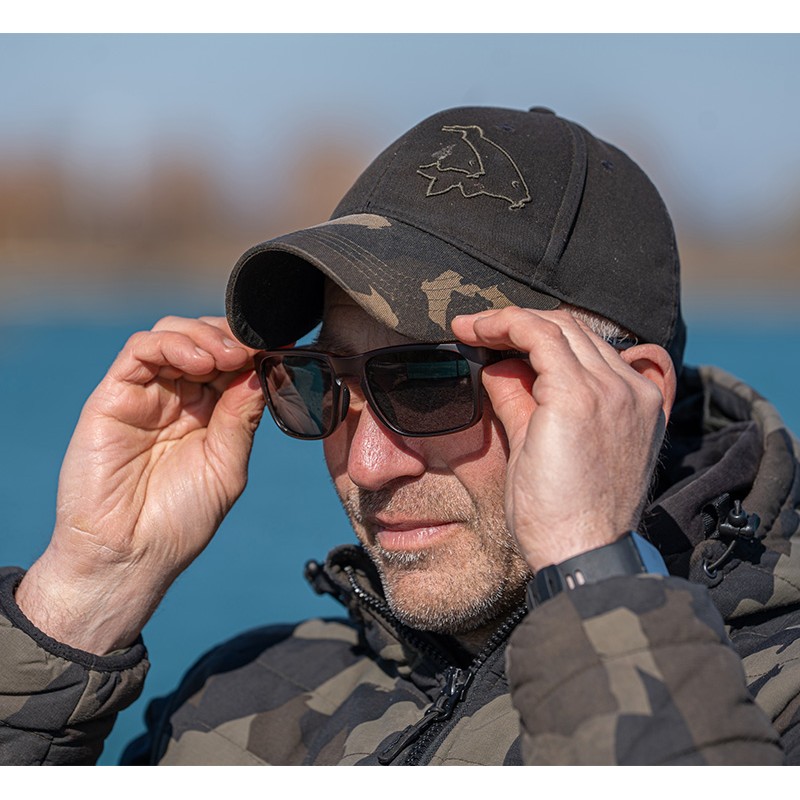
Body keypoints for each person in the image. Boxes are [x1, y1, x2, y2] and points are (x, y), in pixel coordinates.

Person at [1, 105, 798, 766]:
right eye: (322, 381)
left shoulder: (767, 704)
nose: (369, 464)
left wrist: (592, 569)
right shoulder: (238, 706)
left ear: (634, 396)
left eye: (428, 383)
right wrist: (84, 599)